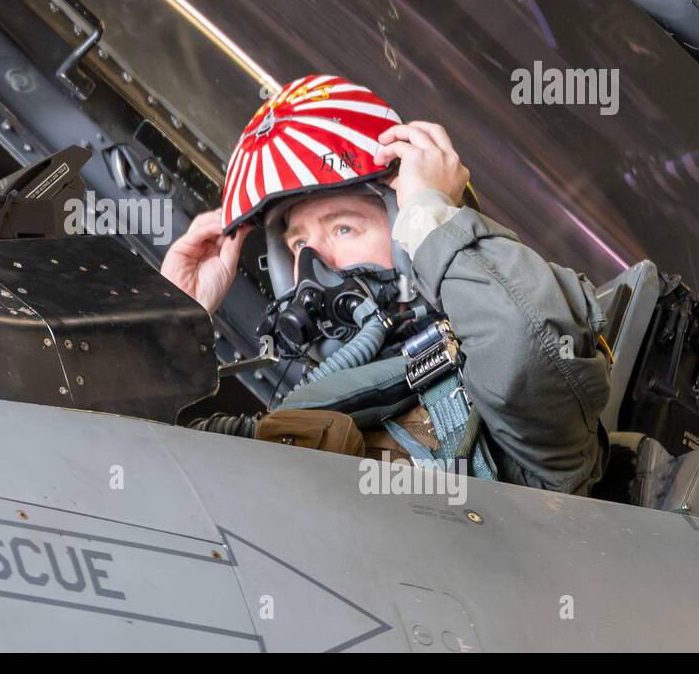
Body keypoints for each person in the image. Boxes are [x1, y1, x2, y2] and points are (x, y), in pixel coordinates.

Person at [161, 75, 610, 496]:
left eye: (342, 229)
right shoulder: (294, 422)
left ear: (405, 233)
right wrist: (168, 325)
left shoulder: (492, 400)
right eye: (298, 244)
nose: (315, 265)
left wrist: (429, 214)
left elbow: (524, 346)